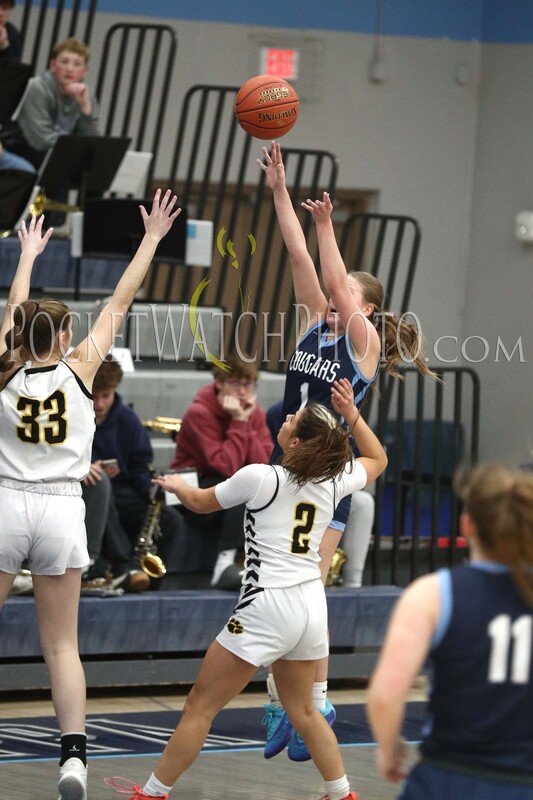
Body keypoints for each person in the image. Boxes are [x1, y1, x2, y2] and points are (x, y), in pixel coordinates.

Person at [104, 377, 388, 800]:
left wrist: (179, 487)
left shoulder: (261, 478)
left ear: (295, 443)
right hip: (311, 608)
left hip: (267, 606)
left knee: (200, 706)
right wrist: (352, 415)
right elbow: (378, 458)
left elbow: (200, 502)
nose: (286, 417)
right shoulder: (335, 482)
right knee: (305, 711)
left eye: (293, 420)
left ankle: (152, 793)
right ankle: (343, 793)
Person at [257, 140, 436, 762]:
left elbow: (332, 273)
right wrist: (281, 192)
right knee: (277, 586)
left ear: (367, 309)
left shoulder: (362, 344)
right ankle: (290, 701)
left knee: (305, 587)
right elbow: (297, 255)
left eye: (347, 296)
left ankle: (312, 699)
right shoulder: (316, 321)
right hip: (284, 467)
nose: (334, 298)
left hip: (326, 477)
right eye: (335, 296)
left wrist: (328, 224)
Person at [0, 189, 181, 800]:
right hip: (59, 507)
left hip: (6, 502)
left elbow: (15, 309)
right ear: (68, 333)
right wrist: (151, 238)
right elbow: (121, 297)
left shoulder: (4, 366)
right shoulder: (80, 368)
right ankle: (73, 760)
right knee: (62, 645)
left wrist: (27, 256)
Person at [367, 464, 533, 800]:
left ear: (466, 525)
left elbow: (385, 696)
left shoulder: (433, 594)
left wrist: (389, 748)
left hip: (448, 778)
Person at [170, 354, 274, 589]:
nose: (243, 391)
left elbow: (265, 466)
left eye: (248, 384)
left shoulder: (255, 414)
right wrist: (239, 422)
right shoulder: (199, 413)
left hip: (222, 485)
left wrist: (245, 421)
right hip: (189, 489)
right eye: (236, 383)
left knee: (262, 487)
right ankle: (223, 566)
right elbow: (225, 465)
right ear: (219, 383)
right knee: (239, 486)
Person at [82, 355, 180, 593]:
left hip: (125, 490)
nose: (100, 404)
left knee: (170, 518)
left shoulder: (127, 419)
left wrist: (152, 490)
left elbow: (140, 466)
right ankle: (124, 567)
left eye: (106, 396)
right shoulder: (74, 416)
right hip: (88, 490)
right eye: (94, 397)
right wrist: (83, 466)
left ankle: (152, 582)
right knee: (104, 494)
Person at [11, 36, 99, 169]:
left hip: (62, 152)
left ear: (85, 71)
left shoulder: (86, 93)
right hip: (27, 151)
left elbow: (92, 139)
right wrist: (79, 148)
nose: (70, 69)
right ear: (53, 65)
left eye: (77, 64)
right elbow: (40, 139)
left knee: (97, 166)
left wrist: (85, 107)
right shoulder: (37, 87)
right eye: (64, 62)